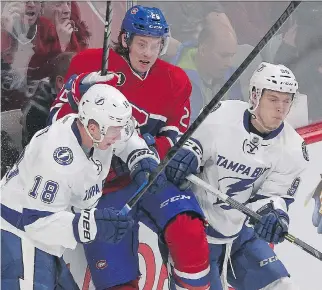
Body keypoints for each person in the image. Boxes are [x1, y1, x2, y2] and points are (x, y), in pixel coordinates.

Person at [49, 5, 210, 290]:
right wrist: (81, 91)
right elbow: (57, 119)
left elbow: (177, 131)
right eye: (142, 43)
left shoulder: (175, 81)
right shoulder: (91, 65)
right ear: (125, 40)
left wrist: (153, 150)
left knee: (188, 229)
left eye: (155, 45)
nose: (148, 52)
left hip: (147, 178)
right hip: (100, 189)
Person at [1, 83, 166, 289]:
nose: (119, 135)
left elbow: (127, 137)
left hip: (46, 241)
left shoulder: (95, 129)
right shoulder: (57, 159)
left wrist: (141, 158)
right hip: (17, 236)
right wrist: (90, 225)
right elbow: (35, 221)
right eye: (115, 129)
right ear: (93, 127)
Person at [166, 62, 310, 290]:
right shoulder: (221, 115)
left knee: (282, 286)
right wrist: (185, 156)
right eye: (273, 99)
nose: (281, 108)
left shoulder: (293, 149)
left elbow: (273, 197)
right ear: (255, 96)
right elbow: (191, 149)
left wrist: (274, 215)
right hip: (195, 235)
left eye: (287, 100)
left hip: (239, 235)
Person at [20, 51, 75, 147]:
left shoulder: (73, 100)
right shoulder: (37, 111)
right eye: (78, 80)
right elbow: (46, 152)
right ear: (60, 82)